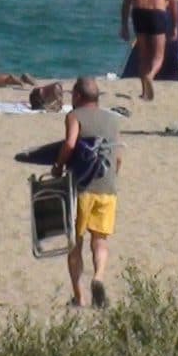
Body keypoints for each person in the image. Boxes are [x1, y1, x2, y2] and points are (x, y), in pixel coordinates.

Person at [57, 76, 123, 308]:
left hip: (82, 187)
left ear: (76, 96)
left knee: (76, 243)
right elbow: (118, 156)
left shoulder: (74, 116)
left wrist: (58, 166)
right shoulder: (113, 119)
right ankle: (99, 276)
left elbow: (70, 144)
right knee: (100, 240)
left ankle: (79, 297)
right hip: (108, 188)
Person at [119, 0, 175, 102]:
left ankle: (145, 92)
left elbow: (126, 1)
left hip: (139, 13)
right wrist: (175, 26)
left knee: (143, 55)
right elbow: (173, 2)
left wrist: (124, 25)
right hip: (157, 13)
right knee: (158, 56)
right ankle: (150, 76)